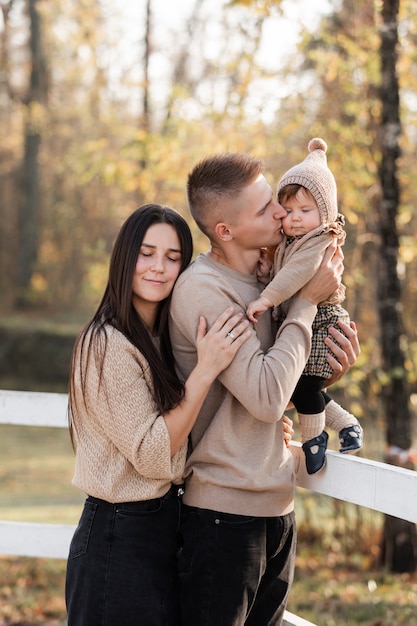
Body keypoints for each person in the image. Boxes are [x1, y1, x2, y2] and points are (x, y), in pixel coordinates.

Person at [169, 152, 360, 626]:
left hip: (277, 504)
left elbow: (284, 377)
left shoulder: (267, 276)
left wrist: (324, 372)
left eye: (274, 200)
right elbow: (265, 397)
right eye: (263, 209)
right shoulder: (204, 290)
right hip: (224, 512)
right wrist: (305, 305)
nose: (280, 212)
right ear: (224, 230)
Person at [65, 203, 252, 626]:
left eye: (172, 258)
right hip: (118, 537)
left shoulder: (161, 341)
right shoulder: (106, 343)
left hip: (163, 530)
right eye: (146, 254)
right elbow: (152, 454)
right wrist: (206, 370)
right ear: (124, 258)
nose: (159, 268)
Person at [247, 138, 363, 475]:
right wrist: (267, 268)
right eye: (289, 211)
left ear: (325, 213)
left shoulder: (321, 239)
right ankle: (347, 425)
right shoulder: (292, 241)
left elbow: (297, 274)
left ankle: (314, 440)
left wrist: (267, 297)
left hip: (323, 321)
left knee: (304, 384)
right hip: (305, 320)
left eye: (305, 210)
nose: (295, 219)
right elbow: (283, 268)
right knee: (304, 384)